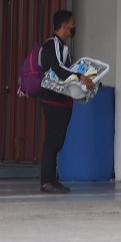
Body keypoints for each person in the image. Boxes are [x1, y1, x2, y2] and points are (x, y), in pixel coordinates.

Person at [38, 10, 92, 194]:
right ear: (64, 25)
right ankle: (47, 180)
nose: (73, 27)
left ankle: (52, 178)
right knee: (52, 141)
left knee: (57, 141)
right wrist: (79, 76)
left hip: (63, 102)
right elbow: (58, 68)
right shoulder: (52, 44)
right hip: (53, 101)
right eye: (72, 23)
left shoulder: (64, 47)